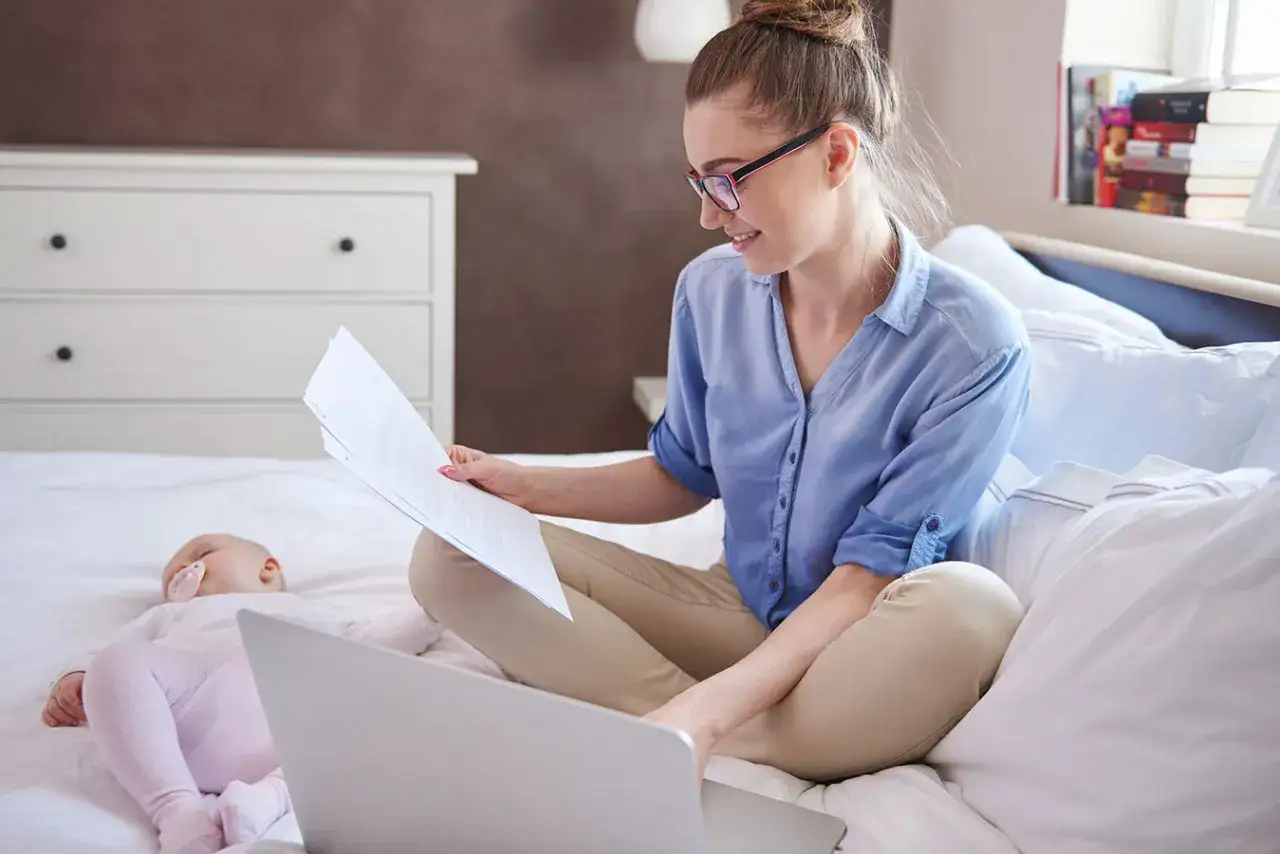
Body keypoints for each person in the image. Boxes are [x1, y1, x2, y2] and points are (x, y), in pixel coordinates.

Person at [409, 0, 1030, 784]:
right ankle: (719, 729)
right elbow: (682, 474)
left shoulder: (974, 343)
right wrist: (517, 483)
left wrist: (712, 707)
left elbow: (868, 581)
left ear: (837, 155)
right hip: (729, 614)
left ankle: (702, 723)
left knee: (970, 609)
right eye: (698, 182)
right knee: (449, 553)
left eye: (729, 180)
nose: (708, 215)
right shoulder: (710, 293)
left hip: (855, 646)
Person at [43, 533, 440, 854]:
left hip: (293, 732)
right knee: (117, 660)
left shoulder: (304, 610)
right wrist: (80, 679)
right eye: (171, 577)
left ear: (267, 569)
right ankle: (177, 809)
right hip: (187, 717)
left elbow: (372, 641)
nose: (183, 571)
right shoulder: (170, 615)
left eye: (202, 554)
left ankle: (270, 797)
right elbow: (116, 663)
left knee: (374, 700)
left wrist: (430, 608)